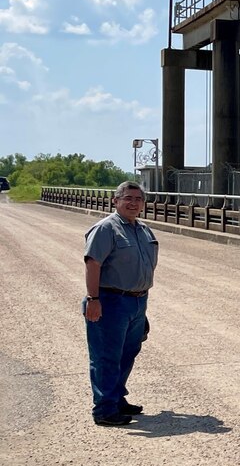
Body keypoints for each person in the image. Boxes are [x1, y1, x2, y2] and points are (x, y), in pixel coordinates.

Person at [82, 181, 159, 426]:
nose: (134, 203)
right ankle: (104, 409)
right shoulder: (106, 228)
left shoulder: (143, 230)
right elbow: (93, 263)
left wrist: (141, 307)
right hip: (110, 300)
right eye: (128, 198)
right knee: (106, 356)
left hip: (137, 301)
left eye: (138, 199)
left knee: (127, 353)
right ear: (115, 201)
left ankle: (116, 398)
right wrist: (93, 299)